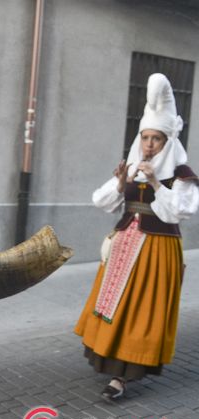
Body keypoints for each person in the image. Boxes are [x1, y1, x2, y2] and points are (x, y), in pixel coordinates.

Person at [74, 73, 199, 400]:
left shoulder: (180, 175)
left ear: (167, 141)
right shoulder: (130, 167)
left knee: (141, 310)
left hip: (157, 250)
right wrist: (120, 183)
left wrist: (158, 183)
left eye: (156, 138)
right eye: (145, 137)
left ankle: (122, 377)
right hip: (123, 246)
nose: (149, 144)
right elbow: (102, 201)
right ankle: (109, 361)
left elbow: (177, 213)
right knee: (115, 304)